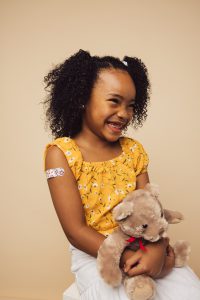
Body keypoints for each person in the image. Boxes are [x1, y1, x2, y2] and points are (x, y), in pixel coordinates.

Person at [43, 49, 200, 299]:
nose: (124, 113)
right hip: (94, 251)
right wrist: (126, 256)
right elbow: (75, 230)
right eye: (114, 101)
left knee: (187, 288)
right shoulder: (61, 154)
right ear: (83, 98)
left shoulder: (133, 151)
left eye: (131, 105)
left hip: (143, 243)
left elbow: (151, 210)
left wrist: (158, 249)